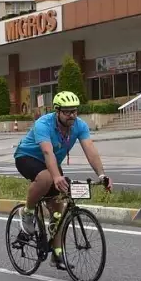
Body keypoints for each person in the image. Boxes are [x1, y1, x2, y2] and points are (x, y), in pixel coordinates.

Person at [13, 91, 111, 270]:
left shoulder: (79, 125)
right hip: (27, 157)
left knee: (59, 208)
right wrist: (56, 176)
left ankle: (57, 253)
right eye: (67, 112)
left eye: (74, 111)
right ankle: (27, 212)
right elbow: (47, 152)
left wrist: (102, 175)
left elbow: (90, 150)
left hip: (50, 164)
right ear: (57, 111)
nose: (72, 115)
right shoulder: (43, 124)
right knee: (46, 178)